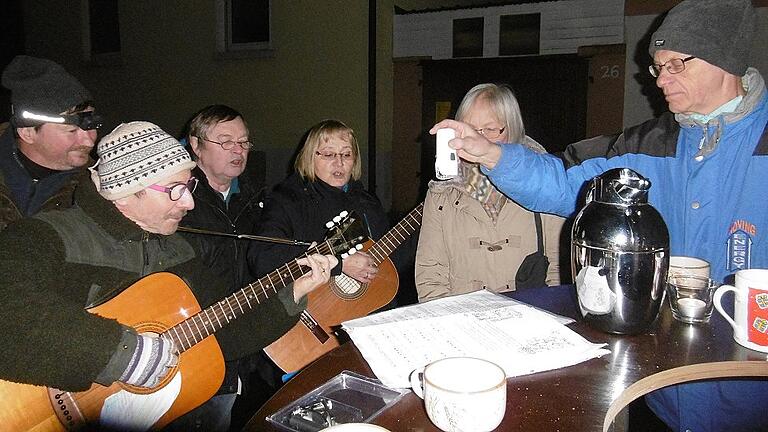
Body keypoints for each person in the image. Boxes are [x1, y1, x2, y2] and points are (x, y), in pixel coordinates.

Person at [431, 0, 766, 430]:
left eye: (676, 65)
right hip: (658, 391)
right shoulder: (648, 143)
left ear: (724, 60)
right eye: (657, 67)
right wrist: (492, 153)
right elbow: (564, 182)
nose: (660, 80)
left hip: (752, 399)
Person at [0, 121, 336, 431]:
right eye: (174, 189)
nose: (189, 202)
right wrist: (121, 353)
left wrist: (291, 296)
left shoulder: (179, 250)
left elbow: (226, 331)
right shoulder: (45, 236)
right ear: (127, 192)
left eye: (189, 186)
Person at [175, 104, 280, 430]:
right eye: (225, 141)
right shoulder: (177, 198)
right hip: (197, 345)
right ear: (196, 145)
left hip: (251, 346)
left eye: (244, 142)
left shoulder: (256, 197)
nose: (238, 150)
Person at [416, 83, 564, 302]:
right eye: (470, 128)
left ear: (511, 130)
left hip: (529, 321)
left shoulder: (542, 183)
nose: (478, 139)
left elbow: (559, 268)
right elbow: (430, 276)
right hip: (464, 325)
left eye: (491, 129)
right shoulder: (441, 194)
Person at [252, 119, 396, 286]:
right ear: (310, 158)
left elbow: (391, 261)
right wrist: (338, 264)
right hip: (312, 308)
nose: (339, 162)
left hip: (369, 304)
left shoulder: (367, 202)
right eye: (328, 154)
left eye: (347, 154)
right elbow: (262, 258)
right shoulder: (286, 200)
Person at [0, 55, 100, 231]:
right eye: (71, 130)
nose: (89, 140)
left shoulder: (97, 187)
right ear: (28, 133)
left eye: (91, 126)